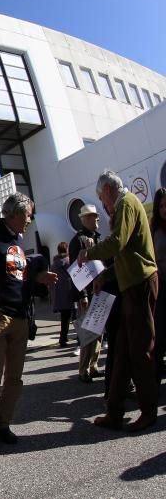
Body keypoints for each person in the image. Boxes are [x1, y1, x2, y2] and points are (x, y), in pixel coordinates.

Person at [0, 192, 57, 450]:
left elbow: (19, 276)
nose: (30, 220)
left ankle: (3, 423)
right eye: (28, 215)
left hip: (20, 317)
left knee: (14, 379)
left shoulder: (18, 243)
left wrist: (38, 279)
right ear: (15, 214)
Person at [79, 170, 158, 432]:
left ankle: (148, 412)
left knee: (140, 350)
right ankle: (114, 412)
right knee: (122, 350)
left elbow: (118, 243)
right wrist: (107, 274)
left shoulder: (126, 203)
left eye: (102, 198)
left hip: (139, 285)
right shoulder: (126, 204)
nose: (103, 204)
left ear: (109, 191)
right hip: (130, 285)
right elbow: (126, 253)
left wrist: (88, 253)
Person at [69, 204, 102, 381]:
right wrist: (83, 295)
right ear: (85, 219)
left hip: (99, 291)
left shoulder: (96, 237)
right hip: (88, 293)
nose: (97, 218)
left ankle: (93, 365)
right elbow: (76, 270)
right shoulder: (78, 241)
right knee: (87, 334)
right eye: (93, 216)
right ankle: (83, 370)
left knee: (98, 332)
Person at [152, 187, 166, 379]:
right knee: (161, 331)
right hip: (161, 285)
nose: (165, 209)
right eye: (162, 206)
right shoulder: (154, 228)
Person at [51, 242, 75, 349]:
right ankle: (80, 338)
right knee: (75, 317)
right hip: (71, 293)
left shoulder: (54, 264)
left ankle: (63, 339)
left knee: (64, 319)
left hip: (60, 296)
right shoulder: (69, 262)